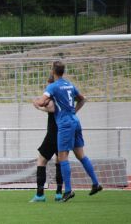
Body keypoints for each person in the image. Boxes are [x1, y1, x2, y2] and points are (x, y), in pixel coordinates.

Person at [34, 61, 102, 202]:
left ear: (53, 70)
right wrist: (73, 112)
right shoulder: (70, 85)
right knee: (80, 155)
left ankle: (68, 191)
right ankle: (96, 183)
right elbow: (82, 100)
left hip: (65, 124)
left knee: (62, 157)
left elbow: (41, 102)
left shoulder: (52, 86)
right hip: (75, 121)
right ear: (63, 71)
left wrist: (37, 103)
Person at [30, 75, 63, 202]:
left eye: (48, 85)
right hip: (63, 131)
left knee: (41, 161)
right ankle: (59, 193)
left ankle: (40, 194)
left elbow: (51, 108)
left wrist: (39, 107)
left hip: (53, 133)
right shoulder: (64, 96)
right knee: (59, 161)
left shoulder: (52, 96)